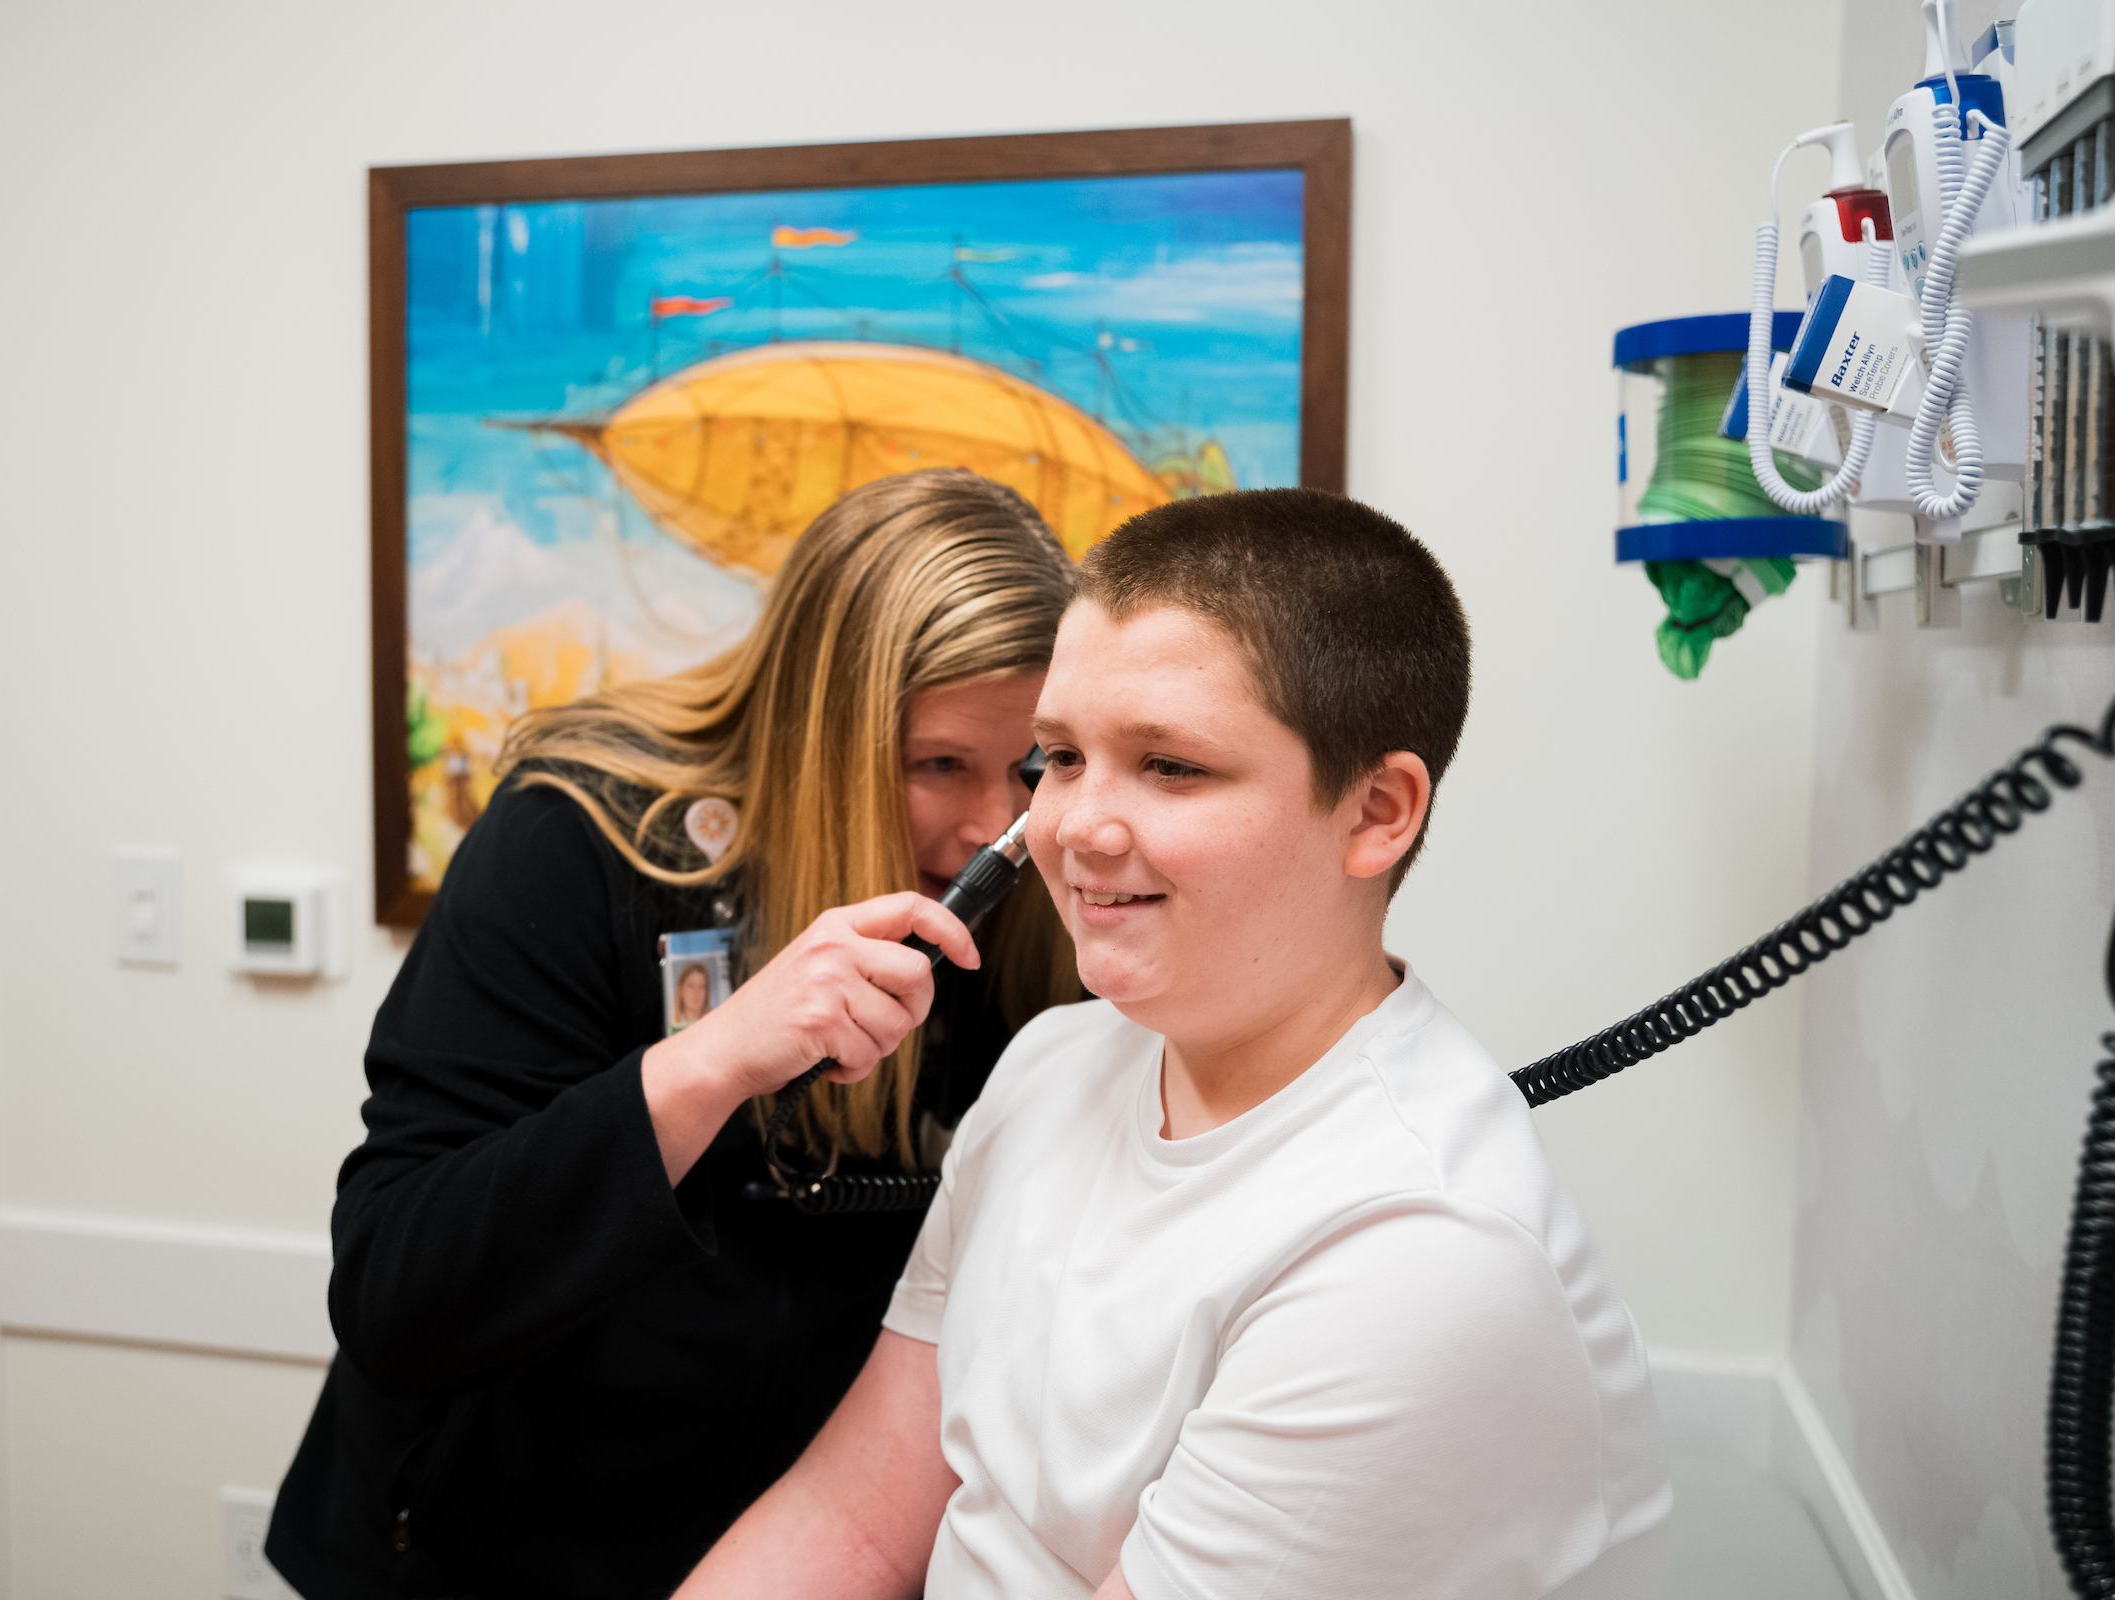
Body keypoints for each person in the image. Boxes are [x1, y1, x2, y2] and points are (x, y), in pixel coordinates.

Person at [678, 489, 1668, 1600]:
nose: (1077, 827)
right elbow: (854, 1520)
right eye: (1058, 758)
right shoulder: (1056, 1063)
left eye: (1172, 766)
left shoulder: (1418, 1260)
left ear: (1377, 811)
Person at [268, 470, 1084, 1600]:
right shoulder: (584, 838)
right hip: (479, 1551)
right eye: (937, 764)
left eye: (1032, 772)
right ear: (824, 734)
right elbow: (400, 1294)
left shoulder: (1039, 897)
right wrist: (712, 1063)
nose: (993, 827)